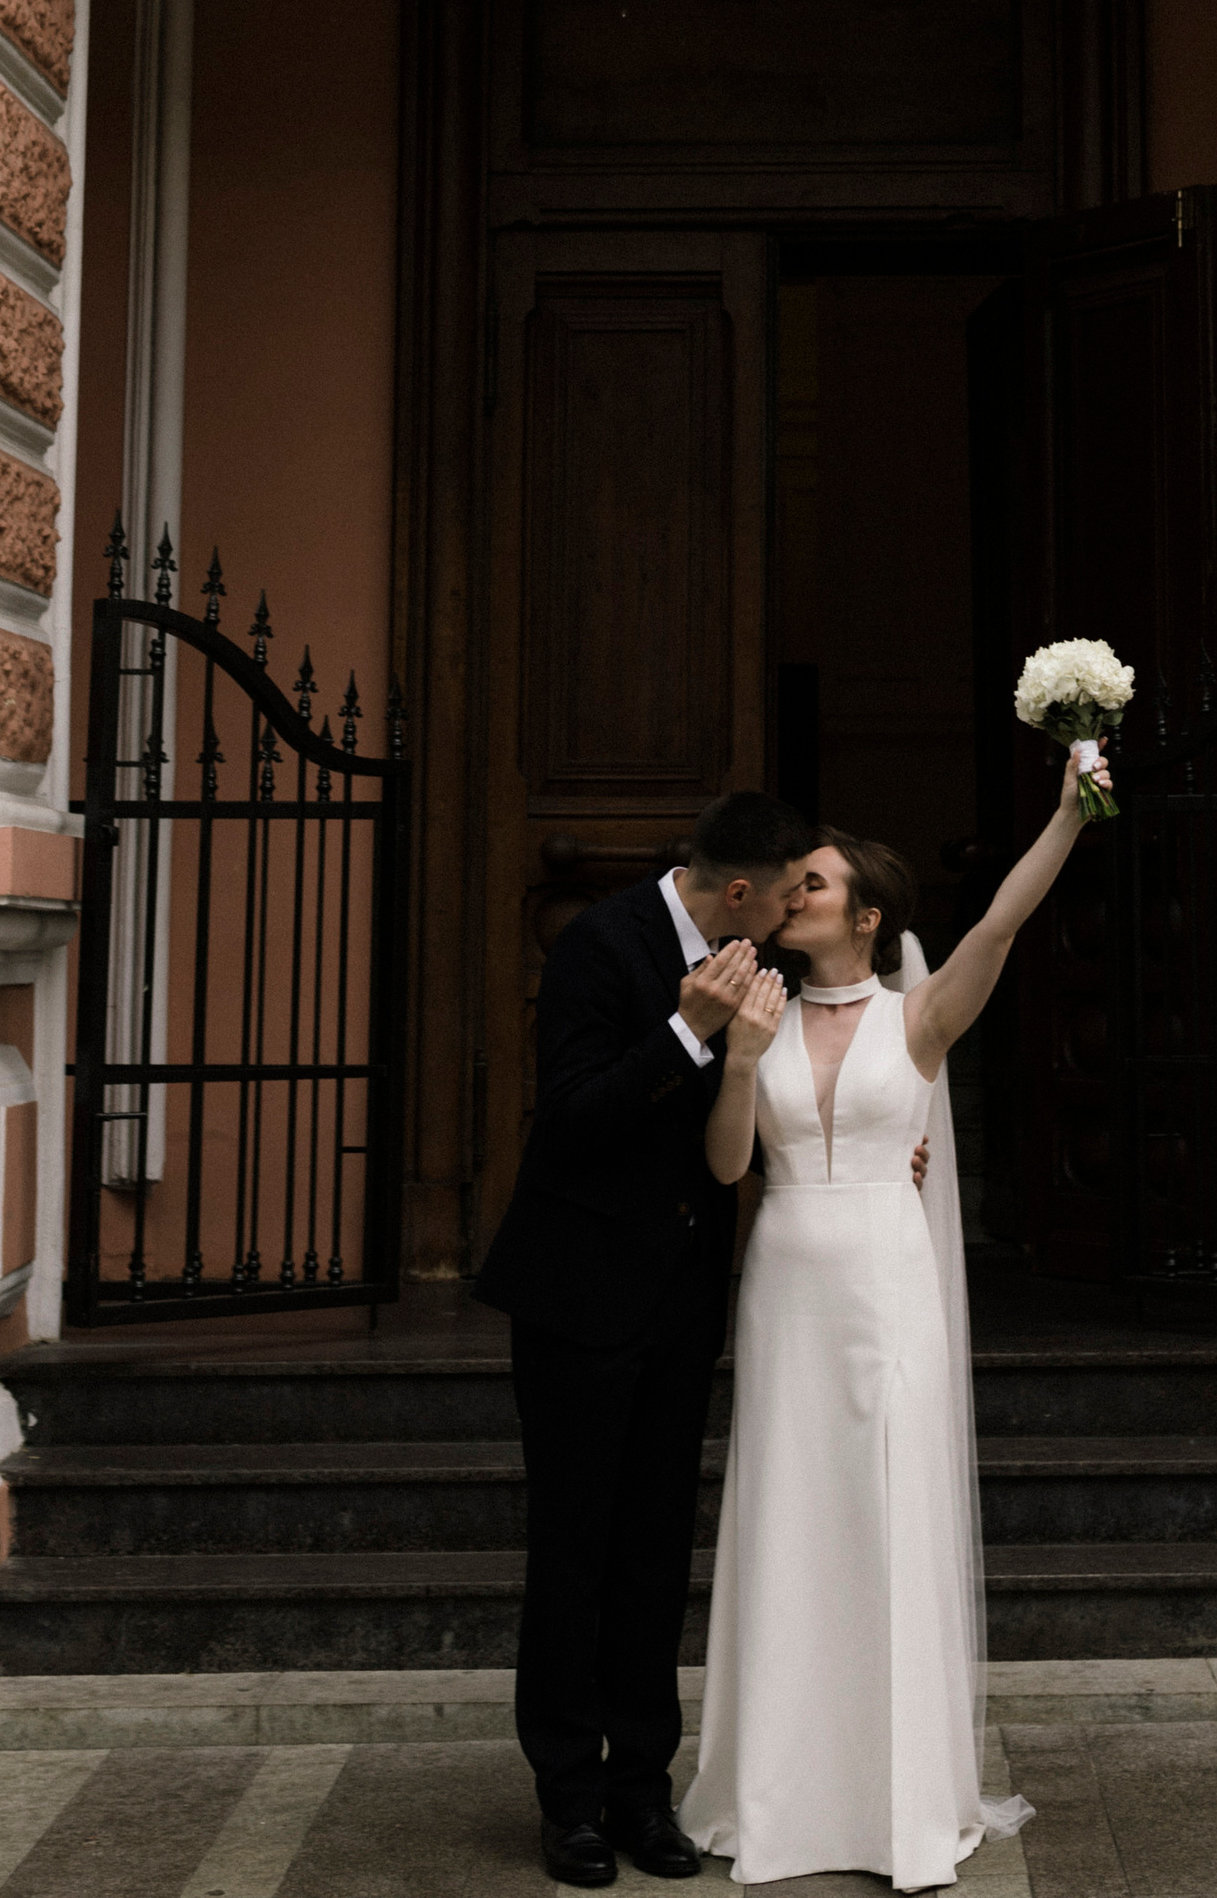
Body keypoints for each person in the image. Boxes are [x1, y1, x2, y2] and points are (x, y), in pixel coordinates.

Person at [684, 749, 1090, 1891]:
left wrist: (1069, 812)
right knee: (787, 1518)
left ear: (866, 917)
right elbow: (727, 1169)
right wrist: (739, 1061)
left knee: (887, 1513)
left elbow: (1002, 925)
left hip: (885, 1285)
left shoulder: (919, 1017)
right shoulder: (753, 1007)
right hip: (784, 1284)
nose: (791, 893)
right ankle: (778, 1791)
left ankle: (899, 1803)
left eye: (812, 883)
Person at [474, 788, 817, 1889]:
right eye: (784, 897)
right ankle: (569, 1801)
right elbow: (571, 1119)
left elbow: (771, 1099)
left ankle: (642, 1791)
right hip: (577, 1300)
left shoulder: (756, 962)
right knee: (574, 1551)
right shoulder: (597, 945)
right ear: (737, 891)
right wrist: (684, 1032)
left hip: (680, 1304)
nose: (790, 916)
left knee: (656, 1555)